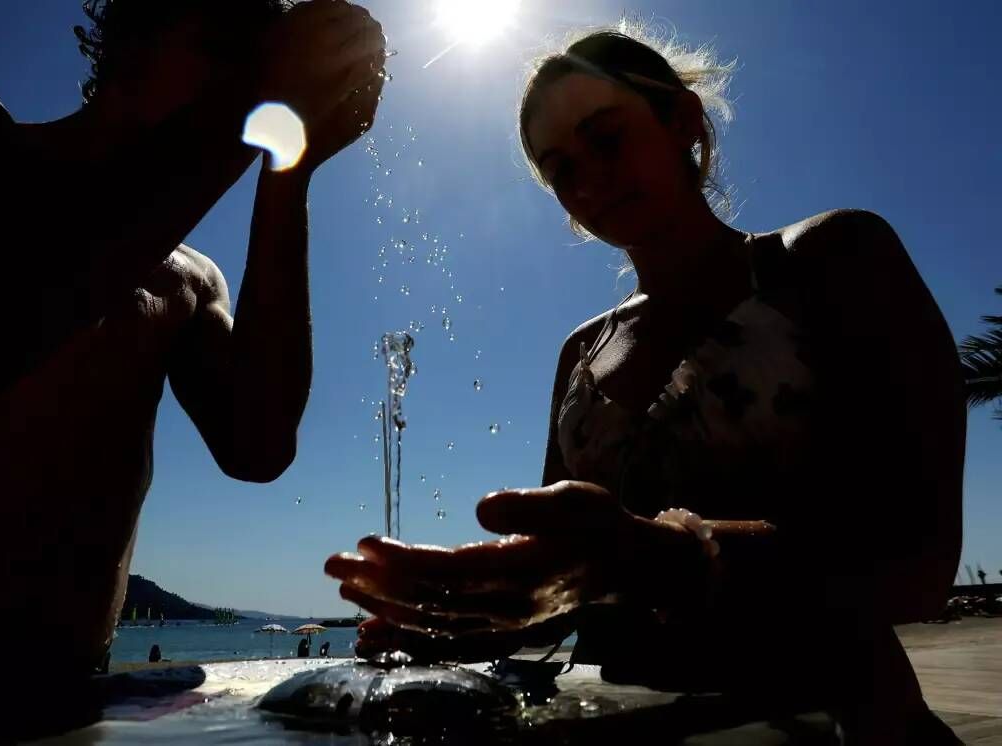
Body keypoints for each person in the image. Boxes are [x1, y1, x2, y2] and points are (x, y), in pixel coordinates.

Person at [0, 0, 385, 737]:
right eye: (227, 39)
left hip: (59, 708)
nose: (247, 68)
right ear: (132, 38)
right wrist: (261, 93)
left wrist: (289, 159)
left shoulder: (186, 282)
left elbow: (259, 444)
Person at [327, 21, 964, 745]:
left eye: (609, 137)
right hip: (625, 727)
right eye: (560, 167)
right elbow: (569, 586)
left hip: (845, 720)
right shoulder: (582, 353)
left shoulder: (831, 260)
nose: (589, 179)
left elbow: (921, 564)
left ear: (683, 122)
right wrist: (469, 622)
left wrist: (667, 555)